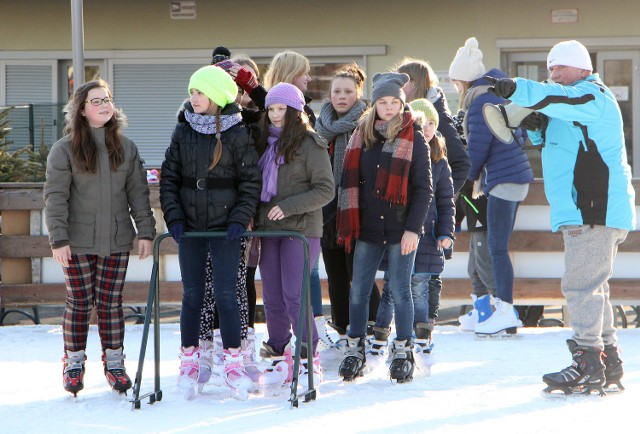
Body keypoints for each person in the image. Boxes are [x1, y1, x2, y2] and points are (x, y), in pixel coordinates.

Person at [490, 40, 635, 395]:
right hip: (585, 209)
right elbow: (556, 139)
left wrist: (518, 89)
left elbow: (562, 101)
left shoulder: (592, 96)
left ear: (582, 68)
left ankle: (587, 362)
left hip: (593, 209)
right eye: (550, 69)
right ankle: (608, 360)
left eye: (559, 69)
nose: (553, 75)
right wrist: (537, 124)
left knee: (580, 287)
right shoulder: (569, 103)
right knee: (594, 288)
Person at [44, 79, 155, 396]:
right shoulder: (64, 149)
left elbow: (139, 194)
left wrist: (145, 232)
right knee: (79, 303)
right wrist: (58, 238)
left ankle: (115, 363)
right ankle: (74, 362)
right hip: (76, 242)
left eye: (107, 99)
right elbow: (55, 197)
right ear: (81, 110)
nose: (105, 105)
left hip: (117, 239)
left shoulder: (126, 147)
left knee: (110, 304)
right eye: (96, 101)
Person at [160, 65, 261, 400]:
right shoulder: (182, 130)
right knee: (191, 296)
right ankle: (189, 361)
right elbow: (170, 178)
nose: (194, 98)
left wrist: (239, 218)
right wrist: (173, 217)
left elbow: (250, 182)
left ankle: (233, 362)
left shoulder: (236, 132)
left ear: (217, 96)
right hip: (190, 228)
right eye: (192, 92)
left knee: (227, 296)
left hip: (225, 229)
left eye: (201, 92)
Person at [337, 72, 432, 383]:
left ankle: (403, 350)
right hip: (367, 228)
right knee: (359, 291)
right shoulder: (361, 136)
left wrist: (413, 230)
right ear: (374, 104)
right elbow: (351, 183)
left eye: (394, 102)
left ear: (402, 104)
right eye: (383, 102)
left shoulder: (413, 137)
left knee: (401, 291)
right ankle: (355, 349)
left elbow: (423, 189)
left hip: (400, 228)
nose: (389, 108)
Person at [448, 37, 533, 337]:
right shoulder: (498, 95)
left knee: (496, 248)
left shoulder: (479, 102)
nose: (456, 88)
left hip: (504, 181)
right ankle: (497, 310)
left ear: (465, 79)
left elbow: (477, 150)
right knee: (497, 247)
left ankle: (506, 311)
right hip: (515, 177)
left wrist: (466, 180)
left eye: (456, 81)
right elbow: (519, 137)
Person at [254, 83, 334, 393]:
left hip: (300, 230)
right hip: (268, 230)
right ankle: (277, 353)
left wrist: (287, 207)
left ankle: (306, 354)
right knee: (272, 297)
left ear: (295, 111)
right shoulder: (261, 143)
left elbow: (325, 189)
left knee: (294, 295)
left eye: (281, 109)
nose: (275, 115)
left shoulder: (310, 144)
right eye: (271, 109)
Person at [370, 99, 454, 369]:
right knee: (392, 288)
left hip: (427, 237)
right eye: (422, 123)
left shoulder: (440, 161)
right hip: (399, 232)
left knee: (419, 286)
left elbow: (445, 201)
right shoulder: (401, 153)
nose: (427, 128)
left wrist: (445, 232)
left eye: (431, 123)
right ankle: (381, 334)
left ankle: (421, 334)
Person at [315, 63, 382, 349]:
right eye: (337, 91)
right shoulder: (319, 126)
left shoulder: (368, 124)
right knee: (335, 273)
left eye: (348, 91)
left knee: (358, 271)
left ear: (358, 94)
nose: (342, 96)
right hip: (325, 210)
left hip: (355, 209)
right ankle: (341, 327)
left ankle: (375, 324)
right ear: (329, 95)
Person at [395, 57, 470, 194]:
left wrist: (440, 198)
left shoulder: (437, 116)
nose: (396, 86)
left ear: (414, 83)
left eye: (401, 82)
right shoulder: (402, 112)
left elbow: (462, 163)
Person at [456, 179, 496, 331]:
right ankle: (483, 311)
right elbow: (462, 197)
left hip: (482, 218)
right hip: (476, 219)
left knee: (484, 268)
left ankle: (506, 310)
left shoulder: (471, 165)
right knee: (473, 269)